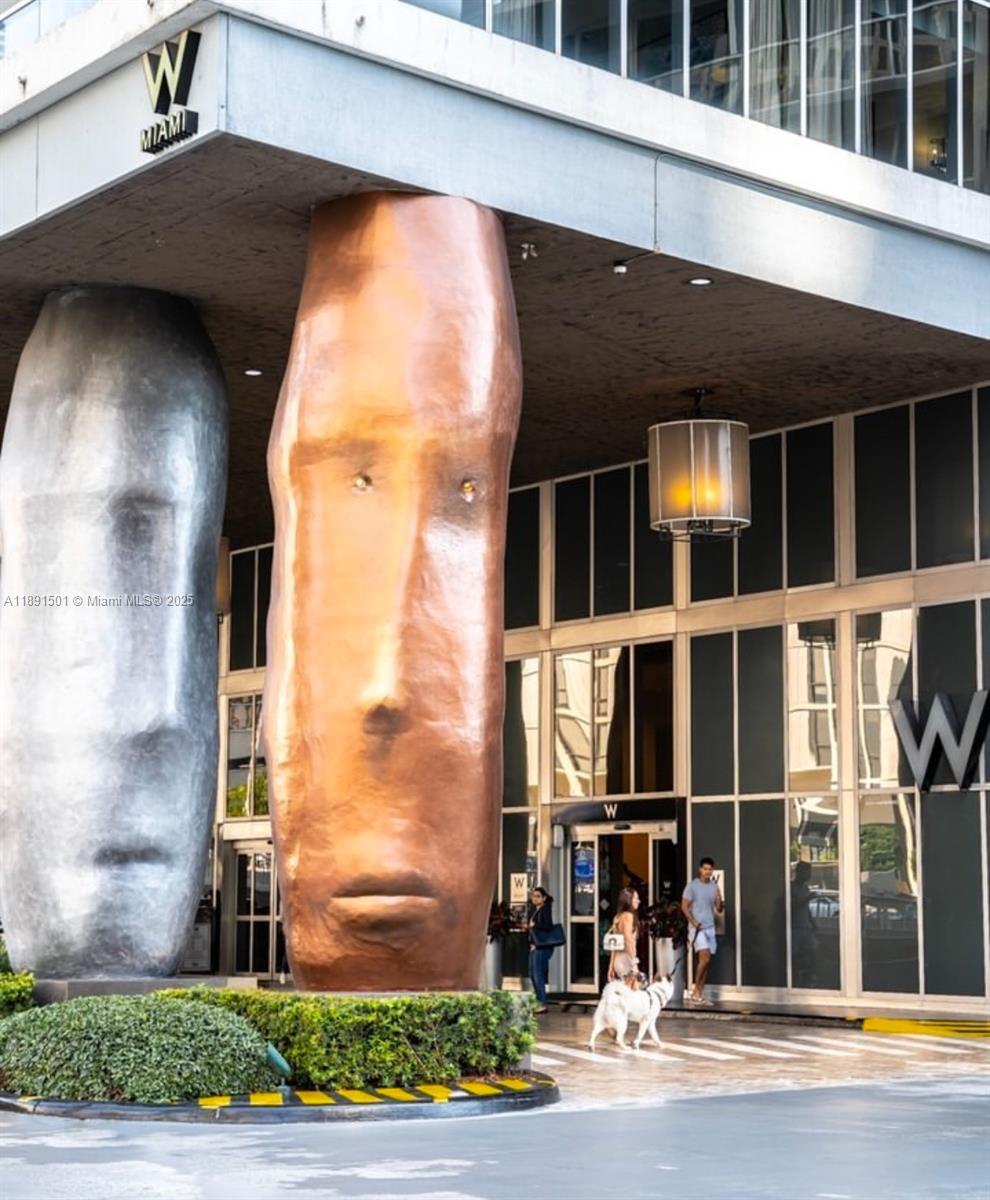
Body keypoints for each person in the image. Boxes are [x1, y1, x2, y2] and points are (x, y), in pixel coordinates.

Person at [682, 857, 724, 1005]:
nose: (707, 872)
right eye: (705, 869)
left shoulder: (714, 887)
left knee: (706, 962)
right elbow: (684, 907)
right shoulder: (692, 886)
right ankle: (695, 991)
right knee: (704, 959)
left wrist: (719, 898)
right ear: (700, 870)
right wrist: (694, 922)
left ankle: (699, 994)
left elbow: (719, 909)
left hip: (710, 928)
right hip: (697, 928)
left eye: (710, 869)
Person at [791, 861, 819, 988]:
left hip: (806, 927)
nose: (809, 875)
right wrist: (807, 898)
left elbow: (806, 909)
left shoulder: (805, 888)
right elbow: (791, 907)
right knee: (794, 958)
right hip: (794, 928)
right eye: (807, 872)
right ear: (800, 872)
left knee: (814, 952)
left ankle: (809, 979)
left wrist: (813, 922)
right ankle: (795, 982)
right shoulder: (791, 888)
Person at [528, 887, 556, 1014]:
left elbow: (548, 926)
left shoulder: (545, 909)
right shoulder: (536, 910)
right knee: (532, 974)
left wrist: (535, 925)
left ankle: (542, 1003)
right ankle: (538, 1001)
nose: (535, 898)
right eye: (533, 896)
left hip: (542, 947)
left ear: (544, 898)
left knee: (538, 975)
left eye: (538, 896)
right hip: (535, 946)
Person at [607, 886, 641, 987]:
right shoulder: (628, 916)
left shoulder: (617, 917)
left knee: (625, 992)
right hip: (627, 960)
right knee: (633, 992)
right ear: (629, 900)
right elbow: (628, 939)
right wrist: (634, 962)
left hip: (619, 960)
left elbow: (614, 944)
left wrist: (611, 966)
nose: (638, 901)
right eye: (636, 898)